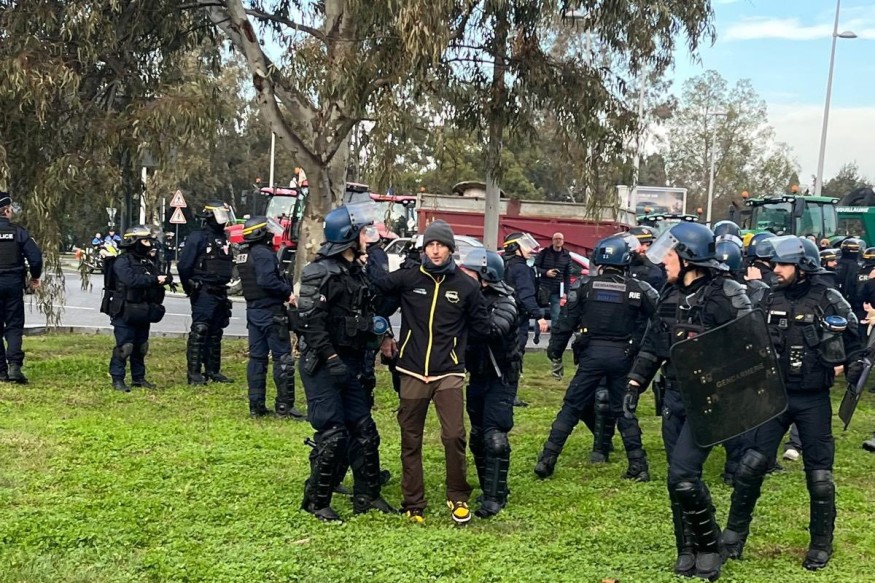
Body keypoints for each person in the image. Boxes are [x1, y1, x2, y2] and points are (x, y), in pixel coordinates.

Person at [720, 235, 862, 572]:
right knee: (751, 465)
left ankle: (820, 544)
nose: (776, 270)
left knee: (820, 475)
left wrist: (847, 365)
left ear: (803, 267)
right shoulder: (768, 297)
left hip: (813, 399)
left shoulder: (829, 299)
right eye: (777, 264)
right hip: (775, 396)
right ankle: (734, 536)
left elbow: (855, 341)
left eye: (784, 264)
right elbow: (747, 335)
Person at [622, 221, 752, 580]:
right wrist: (635, 382)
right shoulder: (671, 294)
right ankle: (686, 547)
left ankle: (709, 547)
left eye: (670, 252)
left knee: (683, 473)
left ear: (690, 256)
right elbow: (653, 344)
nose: (663, 259)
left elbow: (751, 346)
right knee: (675, 478)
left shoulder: (727, 294)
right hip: (675, 396)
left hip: (709, 400)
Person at [370, 219, 494, 525]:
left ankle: (458, 497)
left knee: (453, 436)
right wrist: (383, 333)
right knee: (410, 439)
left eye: (441, 246)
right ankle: (414, 503)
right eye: (431, 245)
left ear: (451, 249)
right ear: (424, 248)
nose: (436, 251)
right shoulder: (409, 278)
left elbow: (483, 328)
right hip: (411, 370)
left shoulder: (466, 286)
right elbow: (374, 293)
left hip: (448, 373)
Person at [295, 204, 393, 522]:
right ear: (350, 237)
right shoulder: (318, 272)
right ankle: (316, 501)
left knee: (364, 429)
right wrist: (332, 359)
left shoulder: (356, 271)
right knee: (333, 433)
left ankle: (367, 496)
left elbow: (369, 312)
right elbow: (311, 322)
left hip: (351, 362)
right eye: (363, 232)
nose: (368, 237)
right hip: (323, 363)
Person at [535, 236, 657, 481]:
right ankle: (638, 464)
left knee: (571, 407)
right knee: (624, 410)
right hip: (623, 357)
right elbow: (660, 319)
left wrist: (555, 353)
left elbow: (564, 324)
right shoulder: (639, 288)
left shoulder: (583, 286)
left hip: (590, 356)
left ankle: (547, 460)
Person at [458, 248, 520, 518]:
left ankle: (496, 497)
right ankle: (488, 487)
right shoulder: (469, 298)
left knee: (495, 436)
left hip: (501, 376)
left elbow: (493, 330)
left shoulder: (505, 301)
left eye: (469, 273)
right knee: (478, 435)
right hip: (478, 375)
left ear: (485, 276)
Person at [236, 216, 303, 419]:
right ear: (259, 233)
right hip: (271, 312)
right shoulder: (263, 254)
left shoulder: (244, 254)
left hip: (254, 311)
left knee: (257, 358)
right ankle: (284, 407)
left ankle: (256, 405)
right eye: (267, 230)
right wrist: (288, 293)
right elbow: (267, 281)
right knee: (282, 358)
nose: (271, 233)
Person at [178, 201, 236, 385]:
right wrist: (190, 287)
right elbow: (184, 265)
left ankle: (212, 370)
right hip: (203, 289)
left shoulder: (224, 237)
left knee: (216, 331)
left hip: (220, 290)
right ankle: (194, 373)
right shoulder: (198, 237)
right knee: (200, 330)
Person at [105, 225, 168, 392]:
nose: (149, 245)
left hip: (143, 309)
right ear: (134, 242)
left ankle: (138, 378)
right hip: (125, 310)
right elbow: (130, 280)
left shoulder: (147, 260)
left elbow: (159, 276)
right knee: (125, 347)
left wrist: (165, 279)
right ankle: (117, 379)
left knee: (141, 346)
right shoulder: (122, 261)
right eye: (145, 241)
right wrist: (155, 280)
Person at [0, 194, 43, 383]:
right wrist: (34, 277)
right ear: (7, 210)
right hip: (13, 283)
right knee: (14, 326)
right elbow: (35, 258)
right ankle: (14, 367)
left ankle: (1, 371)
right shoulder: (18, 232)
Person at [503, 232, 549, 404]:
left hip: (504, 316)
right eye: (525, 245)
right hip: (517, 318)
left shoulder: (504, 265)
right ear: (515, 248)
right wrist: (539, 316)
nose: (530, 249)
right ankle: (510, 395)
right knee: (515, 356)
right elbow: (526, 295)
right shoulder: (522, 269)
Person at [533, 232, 571, 325]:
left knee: (556, 315)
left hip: (557, 290)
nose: (558, 241)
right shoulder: (544, 253)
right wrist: (546, 273)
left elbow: (567, 275)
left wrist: (566, 292)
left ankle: (554, 338)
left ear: (563, 241)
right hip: (543, 289)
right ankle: (537, 337)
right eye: (556, 239)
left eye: (560, 239)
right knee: (540, 314)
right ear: (552, 241)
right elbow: (535, 268)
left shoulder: (566, 256)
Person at [628, 225, 666, 290]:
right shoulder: (618, 266)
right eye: (641, 244)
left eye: (647, 245)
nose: (645, 248)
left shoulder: (654, 272)